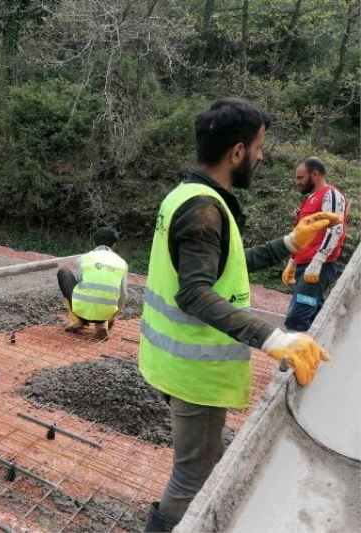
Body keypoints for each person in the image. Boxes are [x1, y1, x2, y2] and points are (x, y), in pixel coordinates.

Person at [137, 97, 341, 532]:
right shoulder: (204, 209)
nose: (262, 156)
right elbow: (195, 292)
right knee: (192, 478)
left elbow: (222, 266)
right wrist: (275, 338)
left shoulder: (188, 196)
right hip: (195, 372)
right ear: (237, 152)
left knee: (193, 467)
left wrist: (289, 243)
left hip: (173, 362)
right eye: (259, 146)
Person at [282, 157, 348, 331]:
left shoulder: (331, 195)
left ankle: (291, 358)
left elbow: (335, 229)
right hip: (305, 265)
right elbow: (303, 233)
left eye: (300, 178)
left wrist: (319, 260)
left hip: (318, 266)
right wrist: (293, 261)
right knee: (314, 315)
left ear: (315, 174)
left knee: (297, 318)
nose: (297, 182)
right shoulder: (310, 198)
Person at [57, 227, 128, 338]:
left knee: (63, 272)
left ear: (94, 242)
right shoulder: (122, 263)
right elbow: (123, 295)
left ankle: (78, 320)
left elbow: (80, 286)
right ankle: (102, 324)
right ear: (114, 245)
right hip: (106, 314)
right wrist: (111, 317)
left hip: (82, 310)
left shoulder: (83, 259)